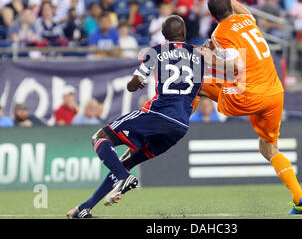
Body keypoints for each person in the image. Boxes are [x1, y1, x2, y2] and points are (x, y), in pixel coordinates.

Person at [66, 15, 204, 218]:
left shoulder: (156, 51)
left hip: (159, 113)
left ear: (163, 35)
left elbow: (134, 84)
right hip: (181, 125)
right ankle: (84, 208)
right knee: (126, 162)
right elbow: (200, 90)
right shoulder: (200, 56)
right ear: (183, 33)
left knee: (100, 137)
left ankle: (124, 178)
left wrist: (134, 83)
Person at [196, 0, 302, 214]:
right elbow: (243, 11)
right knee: (269, 149)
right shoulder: (247, 20)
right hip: (274, 93)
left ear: (211, 15)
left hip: (247, 95)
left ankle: (173, 124)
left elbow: (234, 65)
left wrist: (209, 57)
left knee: (196, 84)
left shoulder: (220, 33)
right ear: (231, 5)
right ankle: (300, 200)